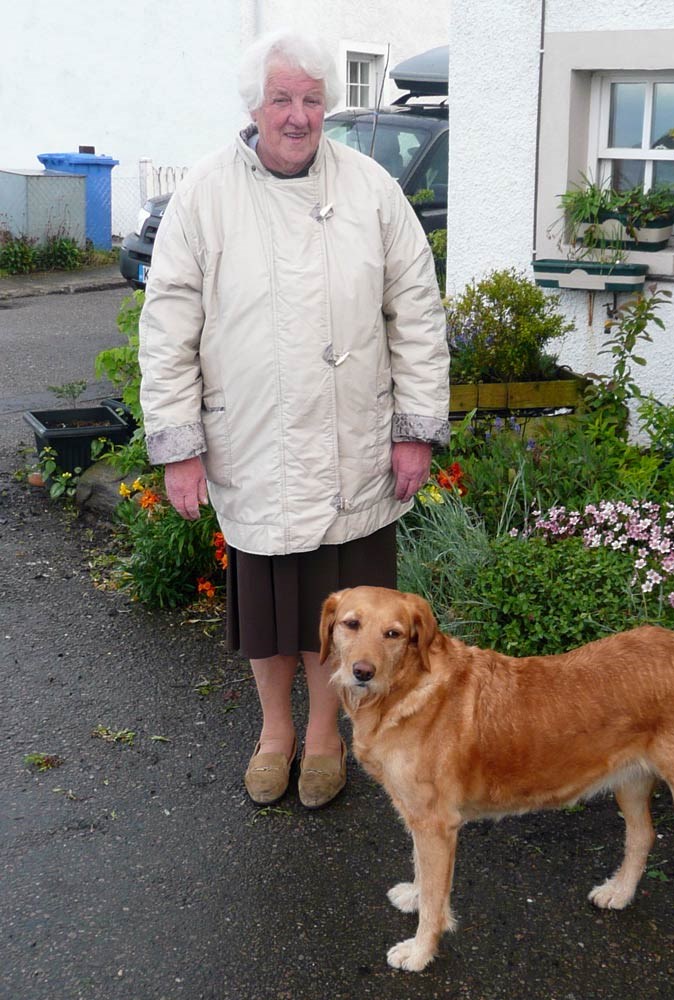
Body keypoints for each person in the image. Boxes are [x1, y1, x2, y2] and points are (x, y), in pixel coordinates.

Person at [138, 29, 450, 810]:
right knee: (271, 608)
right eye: (282, 99)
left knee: (348, 611)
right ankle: (274, 732)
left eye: (312, 100)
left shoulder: (373, 189)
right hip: (253, 441)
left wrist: (415, 428)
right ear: (255, 106)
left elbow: (415, 311)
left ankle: (324, 735)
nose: (298, 115)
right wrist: (180, 446)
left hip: (354, 446)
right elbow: (168, 319)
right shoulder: (207, 193)